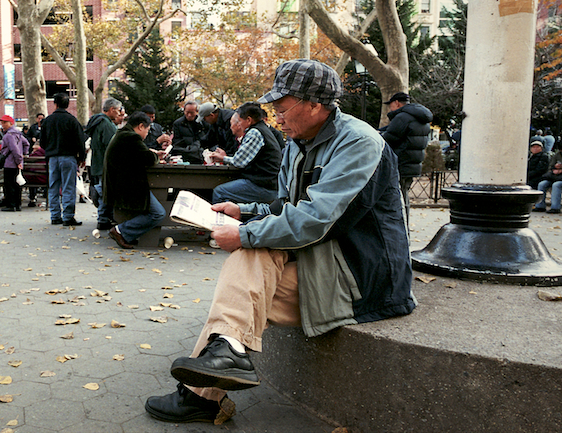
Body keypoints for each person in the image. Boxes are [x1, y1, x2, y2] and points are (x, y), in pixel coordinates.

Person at [144, 59, 415, 424]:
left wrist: (243, 233)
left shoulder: (361, 143)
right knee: (243, 277)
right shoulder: (298, 142)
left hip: (361, 278)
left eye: (282, 109)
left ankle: (206, 387)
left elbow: (316, 218)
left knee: (244, 268)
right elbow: (286, 205)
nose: (277, 118)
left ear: (315, 104)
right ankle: (225, 356)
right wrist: (243, 212)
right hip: (316, 261)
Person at [104, 112, 168, 249]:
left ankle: (126, 233)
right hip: (125, 186)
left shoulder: (123, 134)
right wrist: (156, 156)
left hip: (119, 183)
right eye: (147, 130)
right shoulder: (130, 137)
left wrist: (153, 153)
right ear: (140, 126)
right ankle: (121, 231)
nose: (147, 134)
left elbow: (140, 153)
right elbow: (148, 159)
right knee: (158, 213)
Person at [209, 103, 282, 205]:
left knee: (220, 192)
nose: (238, 124)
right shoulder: (263, 129)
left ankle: (222, 219)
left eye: (239, 121)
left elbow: (238, 162)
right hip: (269, 183)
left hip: (264, 185)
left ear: (248, 120)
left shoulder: (255, 133)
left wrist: (222, 158)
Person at [379, 92, 432, 223]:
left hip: (400, 162)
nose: (390, 108)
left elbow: (389, 138)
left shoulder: (402, 117)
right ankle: (404, 224)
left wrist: (378, 135)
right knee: (404, 193)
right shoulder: (419, 117)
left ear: (396, 103)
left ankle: (401, 226)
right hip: (413, 163)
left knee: (399, 197)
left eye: (390, 105)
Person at [41, 93, 87, 226]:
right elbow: (80, 141)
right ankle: (68, 216)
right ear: (67, 104)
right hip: (68, 156)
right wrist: (81, 157)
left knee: (53, 186)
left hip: (52, 157)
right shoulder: (72, 120)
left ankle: (55, 215)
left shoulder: (47, 121)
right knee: (68, 186)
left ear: (55, 104)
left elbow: (43, 142)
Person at [86, 98, 122, 230]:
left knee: (103, 191)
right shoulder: (107, 125)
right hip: (106, 164)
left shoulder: (97, 122)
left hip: (97, 161)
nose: (119, 114)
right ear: (112, 110)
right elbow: (112, 145)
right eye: (118, 111)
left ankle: (104, 217)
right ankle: (103, 218)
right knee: (106, 192)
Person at [0, 115, 27, 212]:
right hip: (17, 163)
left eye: (5, 122)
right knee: (16, 185)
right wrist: (23, 155)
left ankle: (11, 205)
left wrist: (18, 160)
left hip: (10, 163)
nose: (3, 125)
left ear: (11, 123)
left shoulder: (8, 135)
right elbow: (27, 144)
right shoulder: (19, 134)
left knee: (9, 184)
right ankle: (18, 204)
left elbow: (14, 149)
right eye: (2, 123)